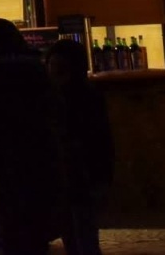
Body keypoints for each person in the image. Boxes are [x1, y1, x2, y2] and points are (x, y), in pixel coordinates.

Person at [0, 18, 62, 255]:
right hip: (42, 154)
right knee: (36, 226)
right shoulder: (38, 67)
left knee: (11, 226)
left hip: (8, 159)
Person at [48, 40, 113, 255]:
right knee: (76, 229)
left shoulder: (81, 97)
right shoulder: (85, 94)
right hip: (73, 171)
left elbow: (97, 137)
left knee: (81, 228)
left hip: (80, 170)